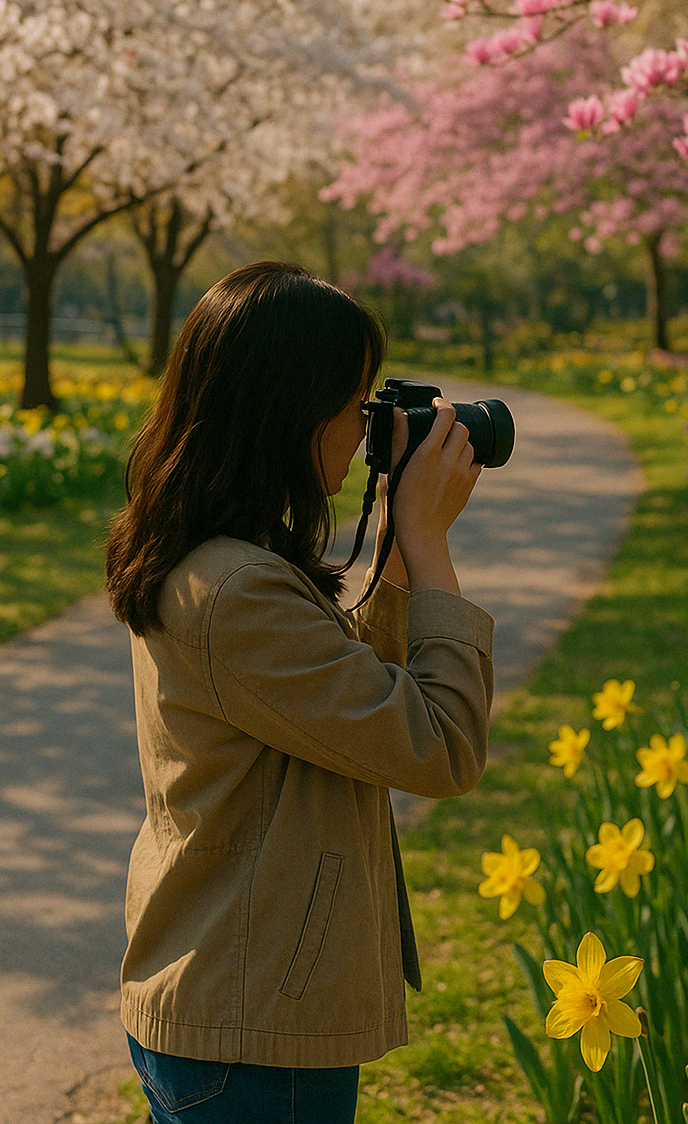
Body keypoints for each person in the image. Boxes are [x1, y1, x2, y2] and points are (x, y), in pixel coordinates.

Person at [105, 261, 494, 1124]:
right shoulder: (239, 591)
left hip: (228, 995)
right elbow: (439, 747)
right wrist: (427, 544)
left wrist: (396, 529)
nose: (366, 430)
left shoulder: (213, 556)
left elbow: (357, 703)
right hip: (252, 1026)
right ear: (288, 409)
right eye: (354, 405)